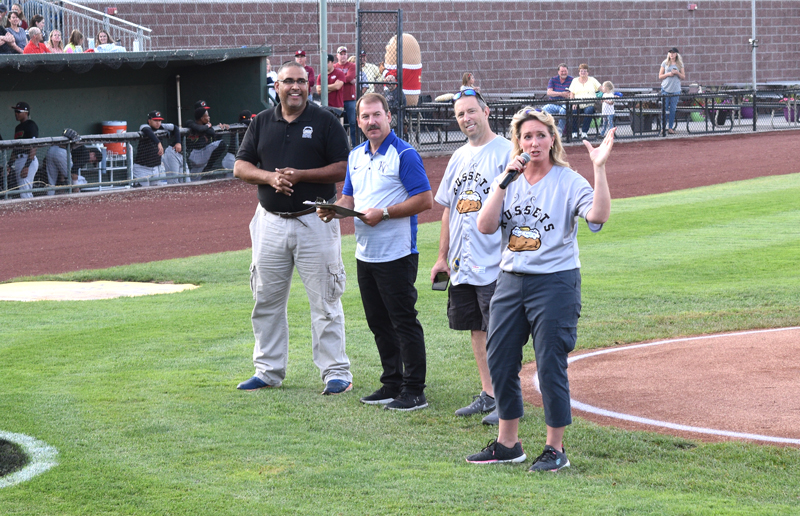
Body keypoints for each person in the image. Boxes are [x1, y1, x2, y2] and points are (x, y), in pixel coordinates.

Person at [465, 108, 615, 472]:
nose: (533, 143)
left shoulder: (568, 180)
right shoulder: (508, 178)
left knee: (549, 363)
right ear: (518, 142)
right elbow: (484, 226)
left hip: (555, 282)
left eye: (540, 136)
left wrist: (598, 167)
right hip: (511, 280)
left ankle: (555, 449)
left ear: (552, 140)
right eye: (526, 137)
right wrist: (503, 181)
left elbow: (597, 216)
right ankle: (508, 444)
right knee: (500, 359)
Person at [233, 61, 353, 395]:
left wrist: (301, 175)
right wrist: (269, 177)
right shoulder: (261, 122)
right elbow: (240, 166)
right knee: (266, 300)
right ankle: (268, 370)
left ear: (309, 87)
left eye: (302, 81)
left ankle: (335, 372)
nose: (295, 87)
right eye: (289, 82)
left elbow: (344, 167)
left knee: (326, 300)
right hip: (270, 223)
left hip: (315, 219)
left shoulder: (325, 120)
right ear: (277, 87)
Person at [317, 92, 433, 411]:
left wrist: (384, 213)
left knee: (403, 321)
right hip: (365, 255)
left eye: (377, 115)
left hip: (397, 254)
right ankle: (392, 382)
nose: (372, 121)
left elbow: (424, 200)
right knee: (378, 321)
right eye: (365, 117)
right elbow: (349, 200)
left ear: (389, 117)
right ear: (358, 121)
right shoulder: (355, 156)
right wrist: (332, 209)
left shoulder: (404, 154)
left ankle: (414, 390)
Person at [431, 88, 510, 424]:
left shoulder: (506, 151)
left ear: (486, 111)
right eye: (460, 114)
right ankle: (488, 393)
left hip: (495, 262)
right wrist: (441, 257)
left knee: (500, 332)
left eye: (471, 112)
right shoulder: (458, 155)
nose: (466, 119)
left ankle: (506, 401)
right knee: (476, 329)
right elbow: (448, 210)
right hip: (463, 264)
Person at [133, 110, 181, 187]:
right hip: (142, 169)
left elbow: (175, 127)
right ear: (149, 121)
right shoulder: (144, 127)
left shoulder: (161, 126)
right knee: (141, 193)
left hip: (156, 168)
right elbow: (148, 131)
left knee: (155, 193)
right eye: (155, 120)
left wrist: (178, 142)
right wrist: (158, 143)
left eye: (159, 120)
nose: (158, 122)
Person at [186, 101, 229, 179]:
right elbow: (198, 128)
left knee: (194, 181)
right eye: (204, 110)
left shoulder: (207, 125)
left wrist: (220, 129)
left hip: (203, 157)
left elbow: (212, 133)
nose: (208, 115)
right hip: (190, 154)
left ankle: (207, 168)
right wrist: (207, 126)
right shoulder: (190, 122)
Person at [11, 102, 39, 199]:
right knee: (23, 191)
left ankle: (31, 213)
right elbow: (15, 149)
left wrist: (27, 166)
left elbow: (33, 146)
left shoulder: (31, 125)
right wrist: (9, 164)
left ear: (26, 112)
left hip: (27, 159)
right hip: (19, 160)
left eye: (18, 111)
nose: (16, 113)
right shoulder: (17, 128)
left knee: (25, 192)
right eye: (15, 111)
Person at [568, 63, 601, 140]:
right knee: (573, 111)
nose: (583, 73)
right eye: (581, 71)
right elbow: (572, 93)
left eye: (585, 71)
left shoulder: (592, 80)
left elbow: (601, 88)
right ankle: (574, 132)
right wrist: (573, 103)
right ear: (579, 72)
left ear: (588, 72)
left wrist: (608, 90)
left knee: (589, 110)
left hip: (589, 104)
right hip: (577, 104)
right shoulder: (575, 81)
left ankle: (584, 132)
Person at [659, 47, 685, 135]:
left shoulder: (680, 64)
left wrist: (677, 73)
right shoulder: (665, 63)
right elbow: (660, 76)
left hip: (675, 90)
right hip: (666, 88)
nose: (671, 55)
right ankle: (663, 127)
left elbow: (683, 77)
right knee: (664, 108)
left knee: (673, 109)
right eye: (670, 53)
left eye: (673, 53)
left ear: (676, 54)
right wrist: (669, 74)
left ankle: (670, 127)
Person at [542, 64, 573, 136]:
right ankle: (547, 131)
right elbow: (549, 92)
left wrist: (569, 95)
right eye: (562, 71)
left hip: (565, 104)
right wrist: (561, 94)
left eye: (565, 71)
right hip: (553, 103)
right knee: (543, 110)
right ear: (558, 72)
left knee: (563, 111)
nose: (564, 73)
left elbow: (573, 92)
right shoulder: (553, 79)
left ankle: (559, 132)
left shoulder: (572, 80)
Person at [335, 46, 358, 146]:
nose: (343, 56)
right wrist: (347, 80)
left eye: (345, 54)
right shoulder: (335, 66)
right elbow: (347, 79)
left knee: (353, 122)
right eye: (341, 54)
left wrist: (339, 80)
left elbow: (350, 77)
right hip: (338, 99)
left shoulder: (352, 65)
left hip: (350, 99)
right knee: (339, 124)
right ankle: (341, 144)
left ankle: (355, 144)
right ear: (337, 55)